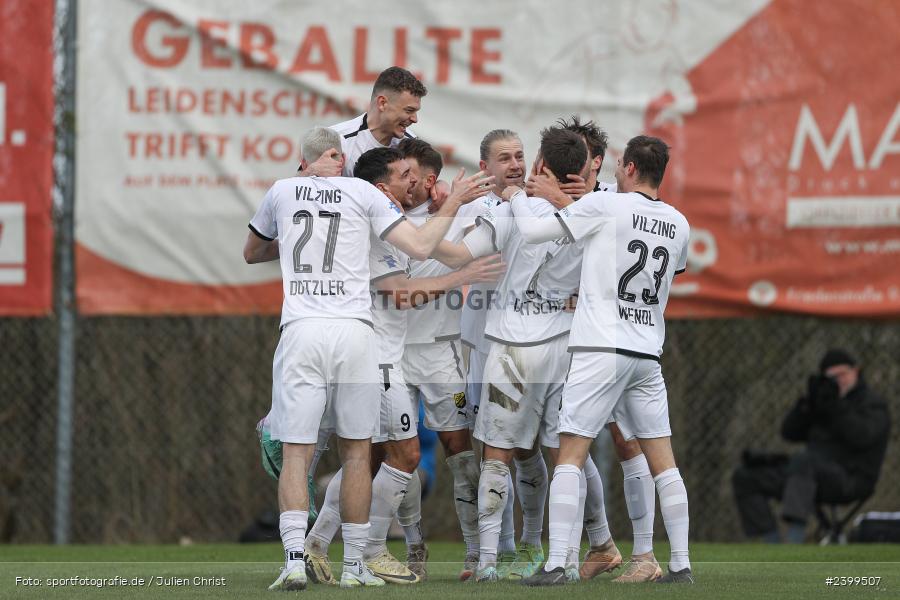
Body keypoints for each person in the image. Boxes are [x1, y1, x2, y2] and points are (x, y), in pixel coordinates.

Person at [243, 126, 493, 591]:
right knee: (366, 451)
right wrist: (456, 216)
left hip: (304, 332)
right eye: (404, 175)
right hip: (363, 344)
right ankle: (360, 558)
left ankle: (301, 554)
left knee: (322, 454)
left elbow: (252, 250)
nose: (413, 183)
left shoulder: (282, 191)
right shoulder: (364, 200)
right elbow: (411, 267)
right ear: (339, 159)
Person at [510, 135, 693, 586]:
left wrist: (518, 195)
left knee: (569, 454)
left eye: (617, 167)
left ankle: (557, 564)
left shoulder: (609, 207)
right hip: (648, 352)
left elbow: (535, 231)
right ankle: (681, 564)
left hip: (599, 348)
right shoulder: (679, 222)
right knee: (664, 461)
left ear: (629, 168)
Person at [532, 117, 660, 582]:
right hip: (560, 335)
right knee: (563, 443)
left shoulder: (616, 201)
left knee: (627, 442)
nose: (571, 169)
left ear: (599, 162)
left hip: (610, 338)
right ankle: (598, 544)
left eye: (580, 159)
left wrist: (557, 200)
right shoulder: (543, 199)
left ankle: (644, 552)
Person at [732, 349, 890, 543]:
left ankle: (794, 541)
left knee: (804, 461)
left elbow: (862, 437)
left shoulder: (872, 404)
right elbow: (788, 433)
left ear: (856, 371)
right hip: (805, 475)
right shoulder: (822, 401)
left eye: (842, 374)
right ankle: (771, 544)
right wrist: (807, 404)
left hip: (850, 478)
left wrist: (835, 406)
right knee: (746, 476)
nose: (838, 381)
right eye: (831, 377)